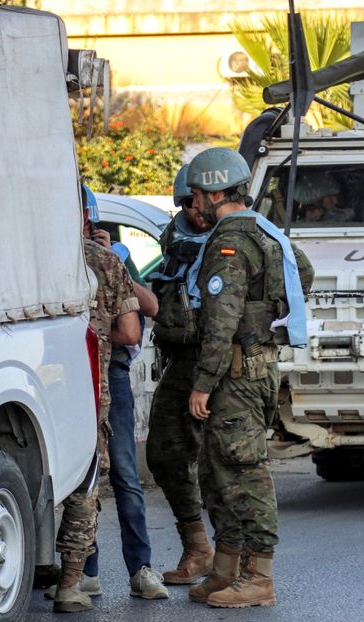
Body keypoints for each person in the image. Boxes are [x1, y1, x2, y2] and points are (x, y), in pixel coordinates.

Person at [184, 148, 314, 608]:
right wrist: (270, 310)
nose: (193, 203)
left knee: (244, 474)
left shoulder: (231, 244)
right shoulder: (266, 233)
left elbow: (221, 321)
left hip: (235, 375)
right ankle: (226, 569)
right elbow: (305, 272)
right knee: (218, 471)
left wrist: (202, 382)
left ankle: (259, 577)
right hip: (252, 369)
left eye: (197, 194)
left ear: (216, 192)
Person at [52, 184, 145, 613]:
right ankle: (73, 583)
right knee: (87, 483)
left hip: (33, 381)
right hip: (90, 388)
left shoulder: (30, 259)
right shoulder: (103, 261)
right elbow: (131, 332)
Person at [75, 186, 166, 602]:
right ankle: (90, 570)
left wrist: (118, 265)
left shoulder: (111, 260)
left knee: (108, 475)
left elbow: (151, 307)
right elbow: (131, 328)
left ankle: (136, 568)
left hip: (103, 373)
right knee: (102, 475)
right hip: (91, 374)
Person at [145, 163, 216, 586]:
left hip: (225, 360)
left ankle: (237, 557)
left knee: (225, 463)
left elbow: (298, 275)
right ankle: (198, 545)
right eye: (187, 202)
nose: (195, 208)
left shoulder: (242, 235)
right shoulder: (176, 238)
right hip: (182, 359)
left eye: (200, 199)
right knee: (165, 453)